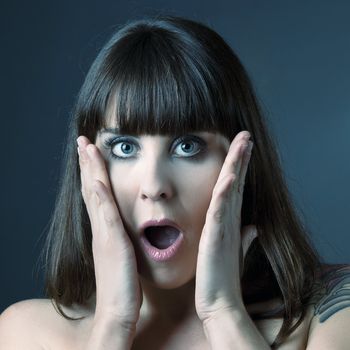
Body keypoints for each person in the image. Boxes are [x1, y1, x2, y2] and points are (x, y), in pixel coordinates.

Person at [0, 15, 349, 350]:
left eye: (187, 146)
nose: (154, 185)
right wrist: (113, 324)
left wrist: (222, 312)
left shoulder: (331, 317)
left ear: (244, 162)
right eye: (124, 148)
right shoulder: (29, 333)